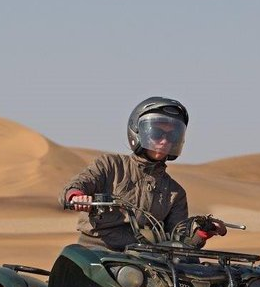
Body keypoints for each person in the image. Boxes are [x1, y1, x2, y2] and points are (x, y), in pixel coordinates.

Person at [59, 96, 226, 251]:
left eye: (171, 135)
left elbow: (178, 244)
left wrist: (202, 233)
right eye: (157, 133)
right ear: (139, 132)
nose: (164, 141)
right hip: (95, 250)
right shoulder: (111, 165)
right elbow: (77, 185)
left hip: (142, 259)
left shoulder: (175, 193)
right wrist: (76, 197)